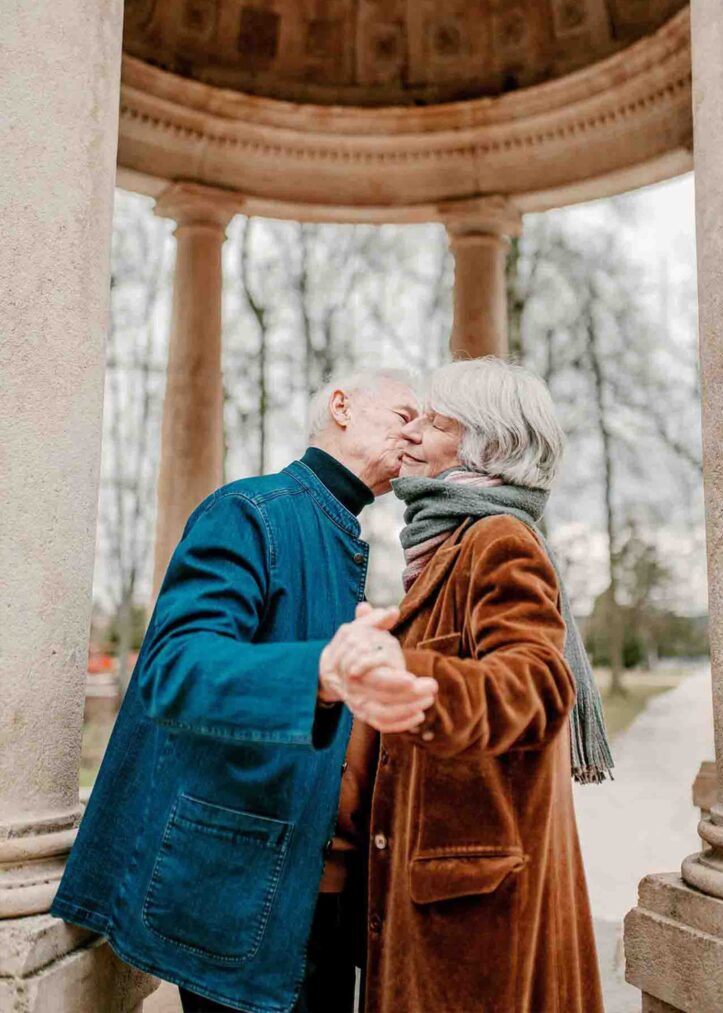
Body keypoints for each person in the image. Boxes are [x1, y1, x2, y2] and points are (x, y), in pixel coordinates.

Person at [51, 368, 436, 1013]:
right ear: (341, 406)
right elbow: (175, 666)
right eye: (405, 415)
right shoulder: (248, 511)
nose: (418, 435)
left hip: (323, 898)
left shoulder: (348, 535)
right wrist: (318, 674)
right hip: (241, 891)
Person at [325, 357, 612, 1013]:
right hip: (444, 900)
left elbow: (538, 683)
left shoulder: (497, 538)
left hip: (476, 920)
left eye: (435, 419)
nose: (414, 432)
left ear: (486, 442)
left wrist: (415, 678)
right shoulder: (445, 545)